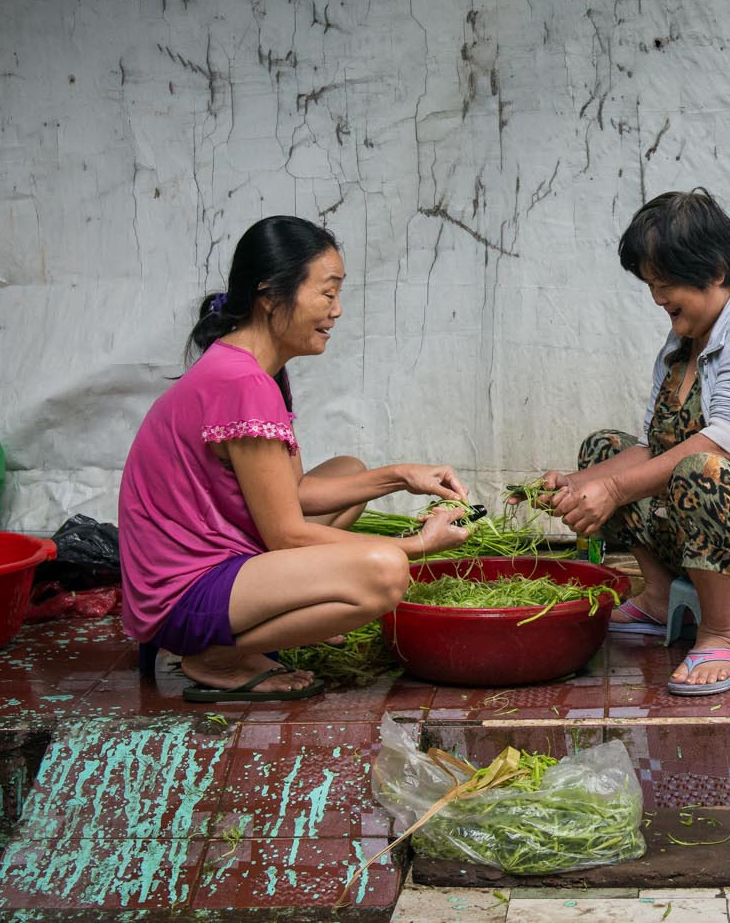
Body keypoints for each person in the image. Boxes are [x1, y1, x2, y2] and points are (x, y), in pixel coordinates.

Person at [118, 215, 473, 702]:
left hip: (215, 563)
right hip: (182, 597)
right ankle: (214, 654)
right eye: (327, 293)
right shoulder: (243, 384)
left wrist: (400, 476)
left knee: (349, 470)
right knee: (385, 572)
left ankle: (283, 616)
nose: (337, 310)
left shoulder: (252, 368)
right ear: (270, 293)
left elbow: (296, 493)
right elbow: (285, 533)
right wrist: (416, 544)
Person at [542, 190, 730, 695]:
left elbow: (725, 446)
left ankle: (721, 632)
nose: (656, 297)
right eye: (650, 284)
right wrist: (577, 483)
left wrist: (615, 491)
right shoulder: (684, 341)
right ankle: (662, 597)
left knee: (702, 470)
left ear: (716, 271)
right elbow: (653, 445)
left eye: (664, 283)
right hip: (701, 523)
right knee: (603, 450)